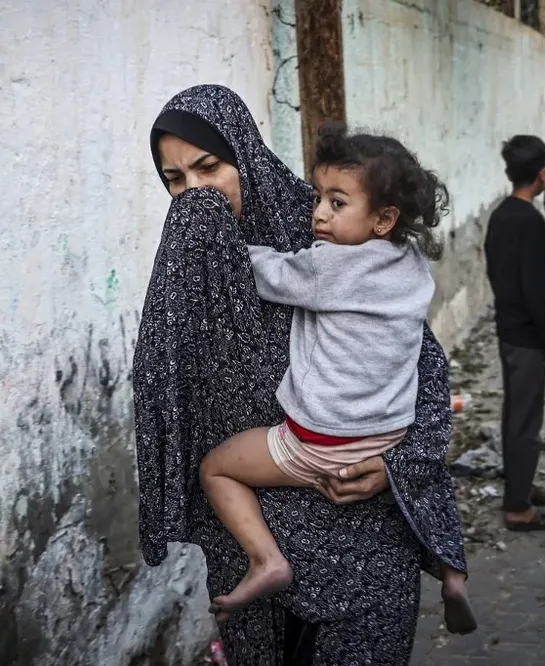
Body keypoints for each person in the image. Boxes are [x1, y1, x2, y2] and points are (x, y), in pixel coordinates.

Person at [135, 84, 469, 664]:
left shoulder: (326, 229)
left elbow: (426, 377)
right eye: (175, 179)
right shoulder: (189, 261)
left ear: (244, 152)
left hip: (361, 546)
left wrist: (393, 467)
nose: (195, 193)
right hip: (255, 557)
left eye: (209, 167)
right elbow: (164, 396)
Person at [484, 135, 545, 534]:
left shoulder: (499, 215)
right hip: (527, 334)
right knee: (526, 420)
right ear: (541, 174)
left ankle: (521, 488)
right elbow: (537, 289)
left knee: (516, 414)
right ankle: (518, 507)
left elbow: (495, 271)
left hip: (507, 328)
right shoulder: (532, 221)